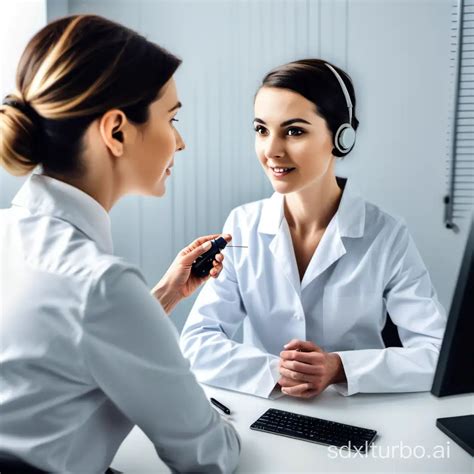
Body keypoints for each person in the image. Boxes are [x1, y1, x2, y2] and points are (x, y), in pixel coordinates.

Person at [0, 14, 240, 474]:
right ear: (116, 132)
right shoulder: (102, 284)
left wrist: (161, 297)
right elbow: (210, 458)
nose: (181, 142)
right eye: (172, 119)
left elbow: (62, 351)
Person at [180, 59, 447, 400]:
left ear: (341, 137)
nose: (272, 151)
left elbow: (437, 353)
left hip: (359, 419)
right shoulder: (242, 226)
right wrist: (276, 371)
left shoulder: (386, 234)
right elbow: (195, 342)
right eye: (262, 130)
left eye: (294, 131)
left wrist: (339, 367)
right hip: (269, 412)